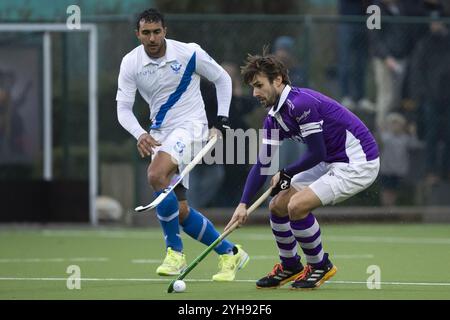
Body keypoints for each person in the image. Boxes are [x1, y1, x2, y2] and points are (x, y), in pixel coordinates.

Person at [225, 50, 379, 290]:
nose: (254, 93)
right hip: (329, 160)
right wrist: (243, 204)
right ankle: (290, 265)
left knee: (296, 205)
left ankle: (320, 266)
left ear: (278, 80)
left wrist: (286, 173)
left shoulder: (300, 104)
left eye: (259, 85)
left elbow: (316, 152)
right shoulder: (273, 117)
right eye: (252, 87)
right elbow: (263, 163)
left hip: (357, 162)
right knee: (277, 205)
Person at [116, 8, 249, 281]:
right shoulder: (130, 63)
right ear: (137, 34)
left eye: (156, 32)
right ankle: (230, 252)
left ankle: (174, 253)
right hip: (159, 133)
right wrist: (140, 134)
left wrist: (221, 120)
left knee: (155, 174)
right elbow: (123, 109)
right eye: (146, 33)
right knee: (180, 209)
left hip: (191, 127)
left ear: (165, 31)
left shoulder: (188, 53)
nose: (152, 38)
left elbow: (222, 78)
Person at [408, 5, 450, 184]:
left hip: (447, 96)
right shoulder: (424, 43)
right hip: (430, 97)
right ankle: (431, 171)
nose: (436, 25)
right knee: (431, 134)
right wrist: (422, 95)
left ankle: (445, 171)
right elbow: (417, 72)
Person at [379, 112, 422, 206]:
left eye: (397, 124)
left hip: (398, 170)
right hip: (387, 169)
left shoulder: (405, 139)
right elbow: (382, 137)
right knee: (386, 189)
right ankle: (385, 209)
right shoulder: (387, 137)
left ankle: (391, 208)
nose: (395, 126)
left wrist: (413, 133)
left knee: (394, 190)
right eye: (392, 124)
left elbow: (414, 145)